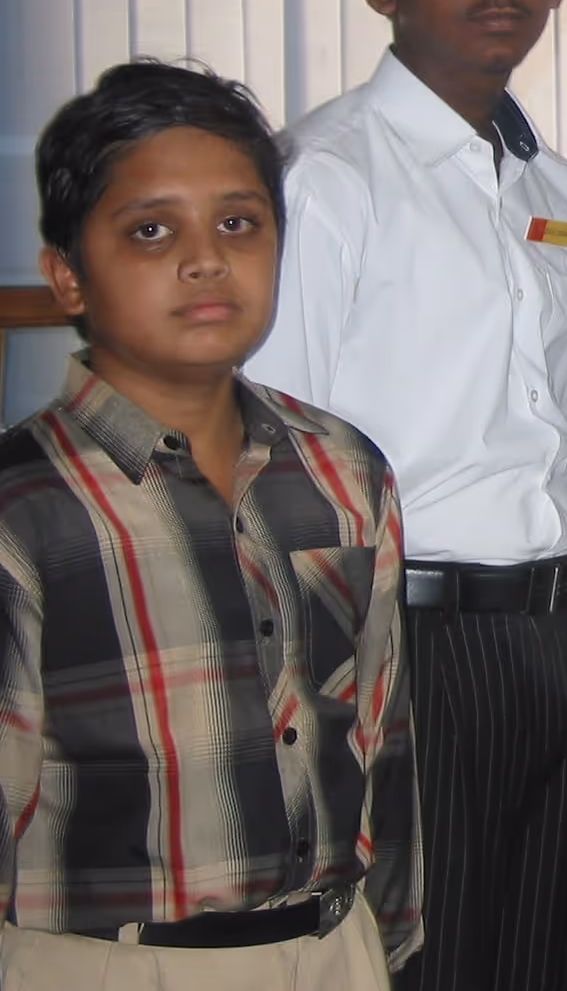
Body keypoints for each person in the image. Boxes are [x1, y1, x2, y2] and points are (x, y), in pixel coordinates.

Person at [245, 0, 567, 991]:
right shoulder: (325, 179)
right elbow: (264, 461)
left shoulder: (558, 190)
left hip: (548, 641)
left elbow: (535, 441)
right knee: (420, 963)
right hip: (398, 648)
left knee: (535, 961)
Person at [0, 62, 419, 988]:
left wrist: (382, 945)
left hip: (331, 950)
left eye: (239, 224)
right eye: (151, 230)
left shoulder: (343, 470)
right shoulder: (26, 510)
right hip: (104, 962)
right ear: (68, 277)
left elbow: (381, 736)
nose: (205, 259)